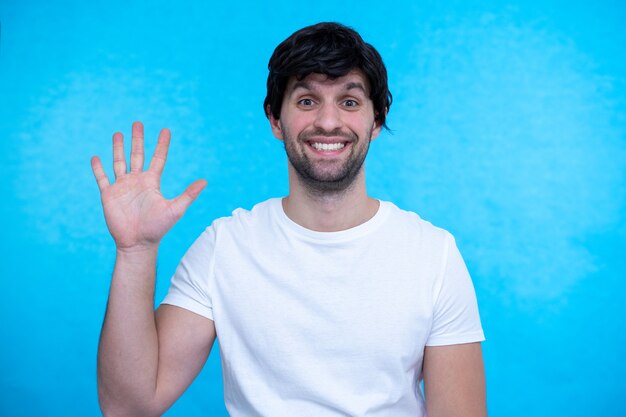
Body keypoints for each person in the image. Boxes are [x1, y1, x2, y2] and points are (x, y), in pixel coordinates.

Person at [92, 22, 487, 417]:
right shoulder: (225, 247)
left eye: (349, 102)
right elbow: (129, 406)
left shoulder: (432, 254)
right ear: (275, 120)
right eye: (307, 101)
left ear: (377, 120)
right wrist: (136, 251)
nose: (329, 122)